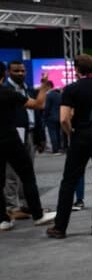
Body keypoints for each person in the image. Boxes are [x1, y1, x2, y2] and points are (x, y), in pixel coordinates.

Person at [46, 54, 92, 239]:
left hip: (80, 135)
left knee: (69, 181)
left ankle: (60, 227)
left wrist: (70, 133)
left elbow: (63, 118)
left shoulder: (71, 89)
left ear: (76, 70)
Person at [0, 62, 56, 230]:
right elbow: (39, 104)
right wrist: (45, 87)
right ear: (4, 74)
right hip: (11, 139)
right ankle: (38, 215)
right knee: (27, 175)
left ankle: (3, 219)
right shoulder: (7, 93)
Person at [4, 59, 46, 218]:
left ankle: (26, 204)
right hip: (12, 135)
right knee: (10, 174)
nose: (20, 73)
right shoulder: (6, 90)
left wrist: (40, 137)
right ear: (8, 72)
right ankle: (12, 207)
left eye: (22, 71)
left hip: (29, 132)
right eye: (16, 71)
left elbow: (37, 113)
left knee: (27, 172)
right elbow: (38, 105)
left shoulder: (28, 88)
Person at [44, 84, 63, 153]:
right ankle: (60, 147)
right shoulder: (59, 95)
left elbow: (47, 108)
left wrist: (45, 116)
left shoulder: (49, 95)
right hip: (59, 116)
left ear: (49, 86)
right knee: (58, 133)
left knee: (52, 133)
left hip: (51, 117)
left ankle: (55, 149)